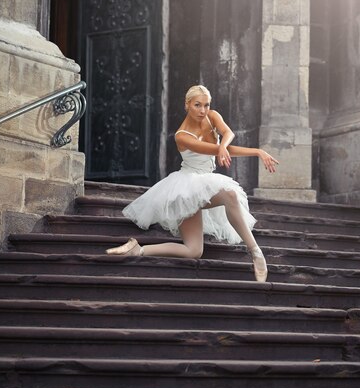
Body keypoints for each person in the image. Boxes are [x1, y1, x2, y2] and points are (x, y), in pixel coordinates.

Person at [106, 84, 278, 282]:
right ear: (187, 104)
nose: (203, 110)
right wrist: (226, 149)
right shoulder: (182, 135)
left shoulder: (211, 116)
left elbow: (228, 134)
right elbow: (214, 151)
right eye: (197, 105)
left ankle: (256, 254)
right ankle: (255, 251)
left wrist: (247, 149)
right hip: (186, 186)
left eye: (206, 105)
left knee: (196, 248)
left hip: (205, 182)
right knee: (195, 248)